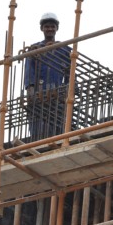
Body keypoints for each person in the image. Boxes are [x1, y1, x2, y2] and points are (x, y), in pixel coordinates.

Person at [23, 13, 73, 141]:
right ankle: (38, 142)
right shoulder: (35, 49)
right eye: (47, 27)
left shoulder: (64, 49)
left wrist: (71, 90)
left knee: (58, 121)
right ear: (42, 29)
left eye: (52, 26)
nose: (50, 29)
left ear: (56, 28)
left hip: (58, 92)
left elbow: (70, 72)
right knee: (38, 121)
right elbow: (29, 70)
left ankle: (57, 140)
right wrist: (30, 88)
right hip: (39, 92)